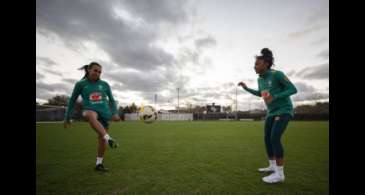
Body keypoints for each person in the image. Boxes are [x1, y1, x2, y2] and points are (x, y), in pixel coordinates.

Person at [238, 48, 297, 183]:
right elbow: (261, 94)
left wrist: (275, 96)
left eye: (257, 64)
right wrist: (246, 88)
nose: (255, 66)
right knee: (267, 139)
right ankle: (272, 166)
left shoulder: (277, 75)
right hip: (271, 112)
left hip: (284, 110)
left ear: (266, 63)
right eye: (254, 64)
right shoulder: (260, 80)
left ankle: (280, 174)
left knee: (275, 138)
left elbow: (293, 89)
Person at [64, 62, 121, 172]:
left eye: (99, 72)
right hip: (89, 111)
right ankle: (109, 139)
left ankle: (99, 164)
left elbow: (112, 101)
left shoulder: (104, 84)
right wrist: (67, 117)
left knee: (101, 139)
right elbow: (72, 101)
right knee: (90, 114)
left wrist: (115, 113)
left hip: (104, 114)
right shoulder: (80, 84)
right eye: (95, 70)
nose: (97, 73)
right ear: (89, 70)